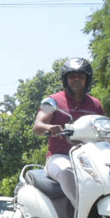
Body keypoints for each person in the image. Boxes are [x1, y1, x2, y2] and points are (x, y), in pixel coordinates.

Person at [32, 57, 105, 208]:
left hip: (90, 158)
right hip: (60, 157)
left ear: (87, 79)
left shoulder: (95, 104)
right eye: (72, 76)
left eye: (81, 76)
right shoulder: (55, 101)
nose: (76, 79)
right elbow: (37, 126)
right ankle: (85, 212)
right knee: (66, 171)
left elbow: (105, 128)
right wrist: (49, 128)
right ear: (66, 80)